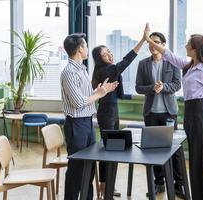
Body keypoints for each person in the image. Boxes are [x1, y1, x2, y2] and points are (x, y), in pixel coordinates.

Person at [144, 24, 203, 200]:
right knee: (195, 160)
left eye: (188, 43)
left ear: (195, 48)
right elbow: (168, 54)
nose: (185, 46)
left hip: (200, 114)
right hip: (191, 114)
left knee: (198, 161)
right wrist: (148, 40)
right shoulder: (189, 66)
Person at [61, 33, 118, 200]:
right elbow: (79, 102)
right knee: (77, 168)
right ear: (80, 49)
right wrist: (99, 94)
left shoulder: (82, 69)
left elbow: (85, 96)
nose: (87, 49)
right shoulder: (69, 72)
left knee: (90, 167)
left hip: (87, 123)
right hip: (76, 125)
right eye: (85, 46)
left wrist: (101, 91)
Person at [91, 26, 146, 198]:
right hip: (107, 112)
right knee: (108, 149)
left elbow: (118, 92)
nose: (109, 54)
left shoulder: (109, 70)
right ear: (100, 59)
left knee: (112, 149)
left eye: (109, 51)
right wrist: (142, 41)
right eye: (105, 53)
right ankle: (104, 186)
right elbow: (127, 60)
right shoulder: (106, 70)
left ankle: (106, 185)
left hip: (112, 111)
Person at [135, 32, 186, 198]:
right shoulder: (143, 64)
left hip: (169, 113)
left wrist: (164, 87)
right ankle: (159, 183)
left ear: (163, 44)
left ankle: (179, 185)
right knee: (153, 150)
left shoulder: (172, 62)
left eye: (155, 42)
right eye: (150, 43)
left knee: (175, 150)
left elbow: (178, 84)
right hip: (151, 114)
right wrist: (152, 88)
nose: (152, 45)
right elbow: (138, 87)